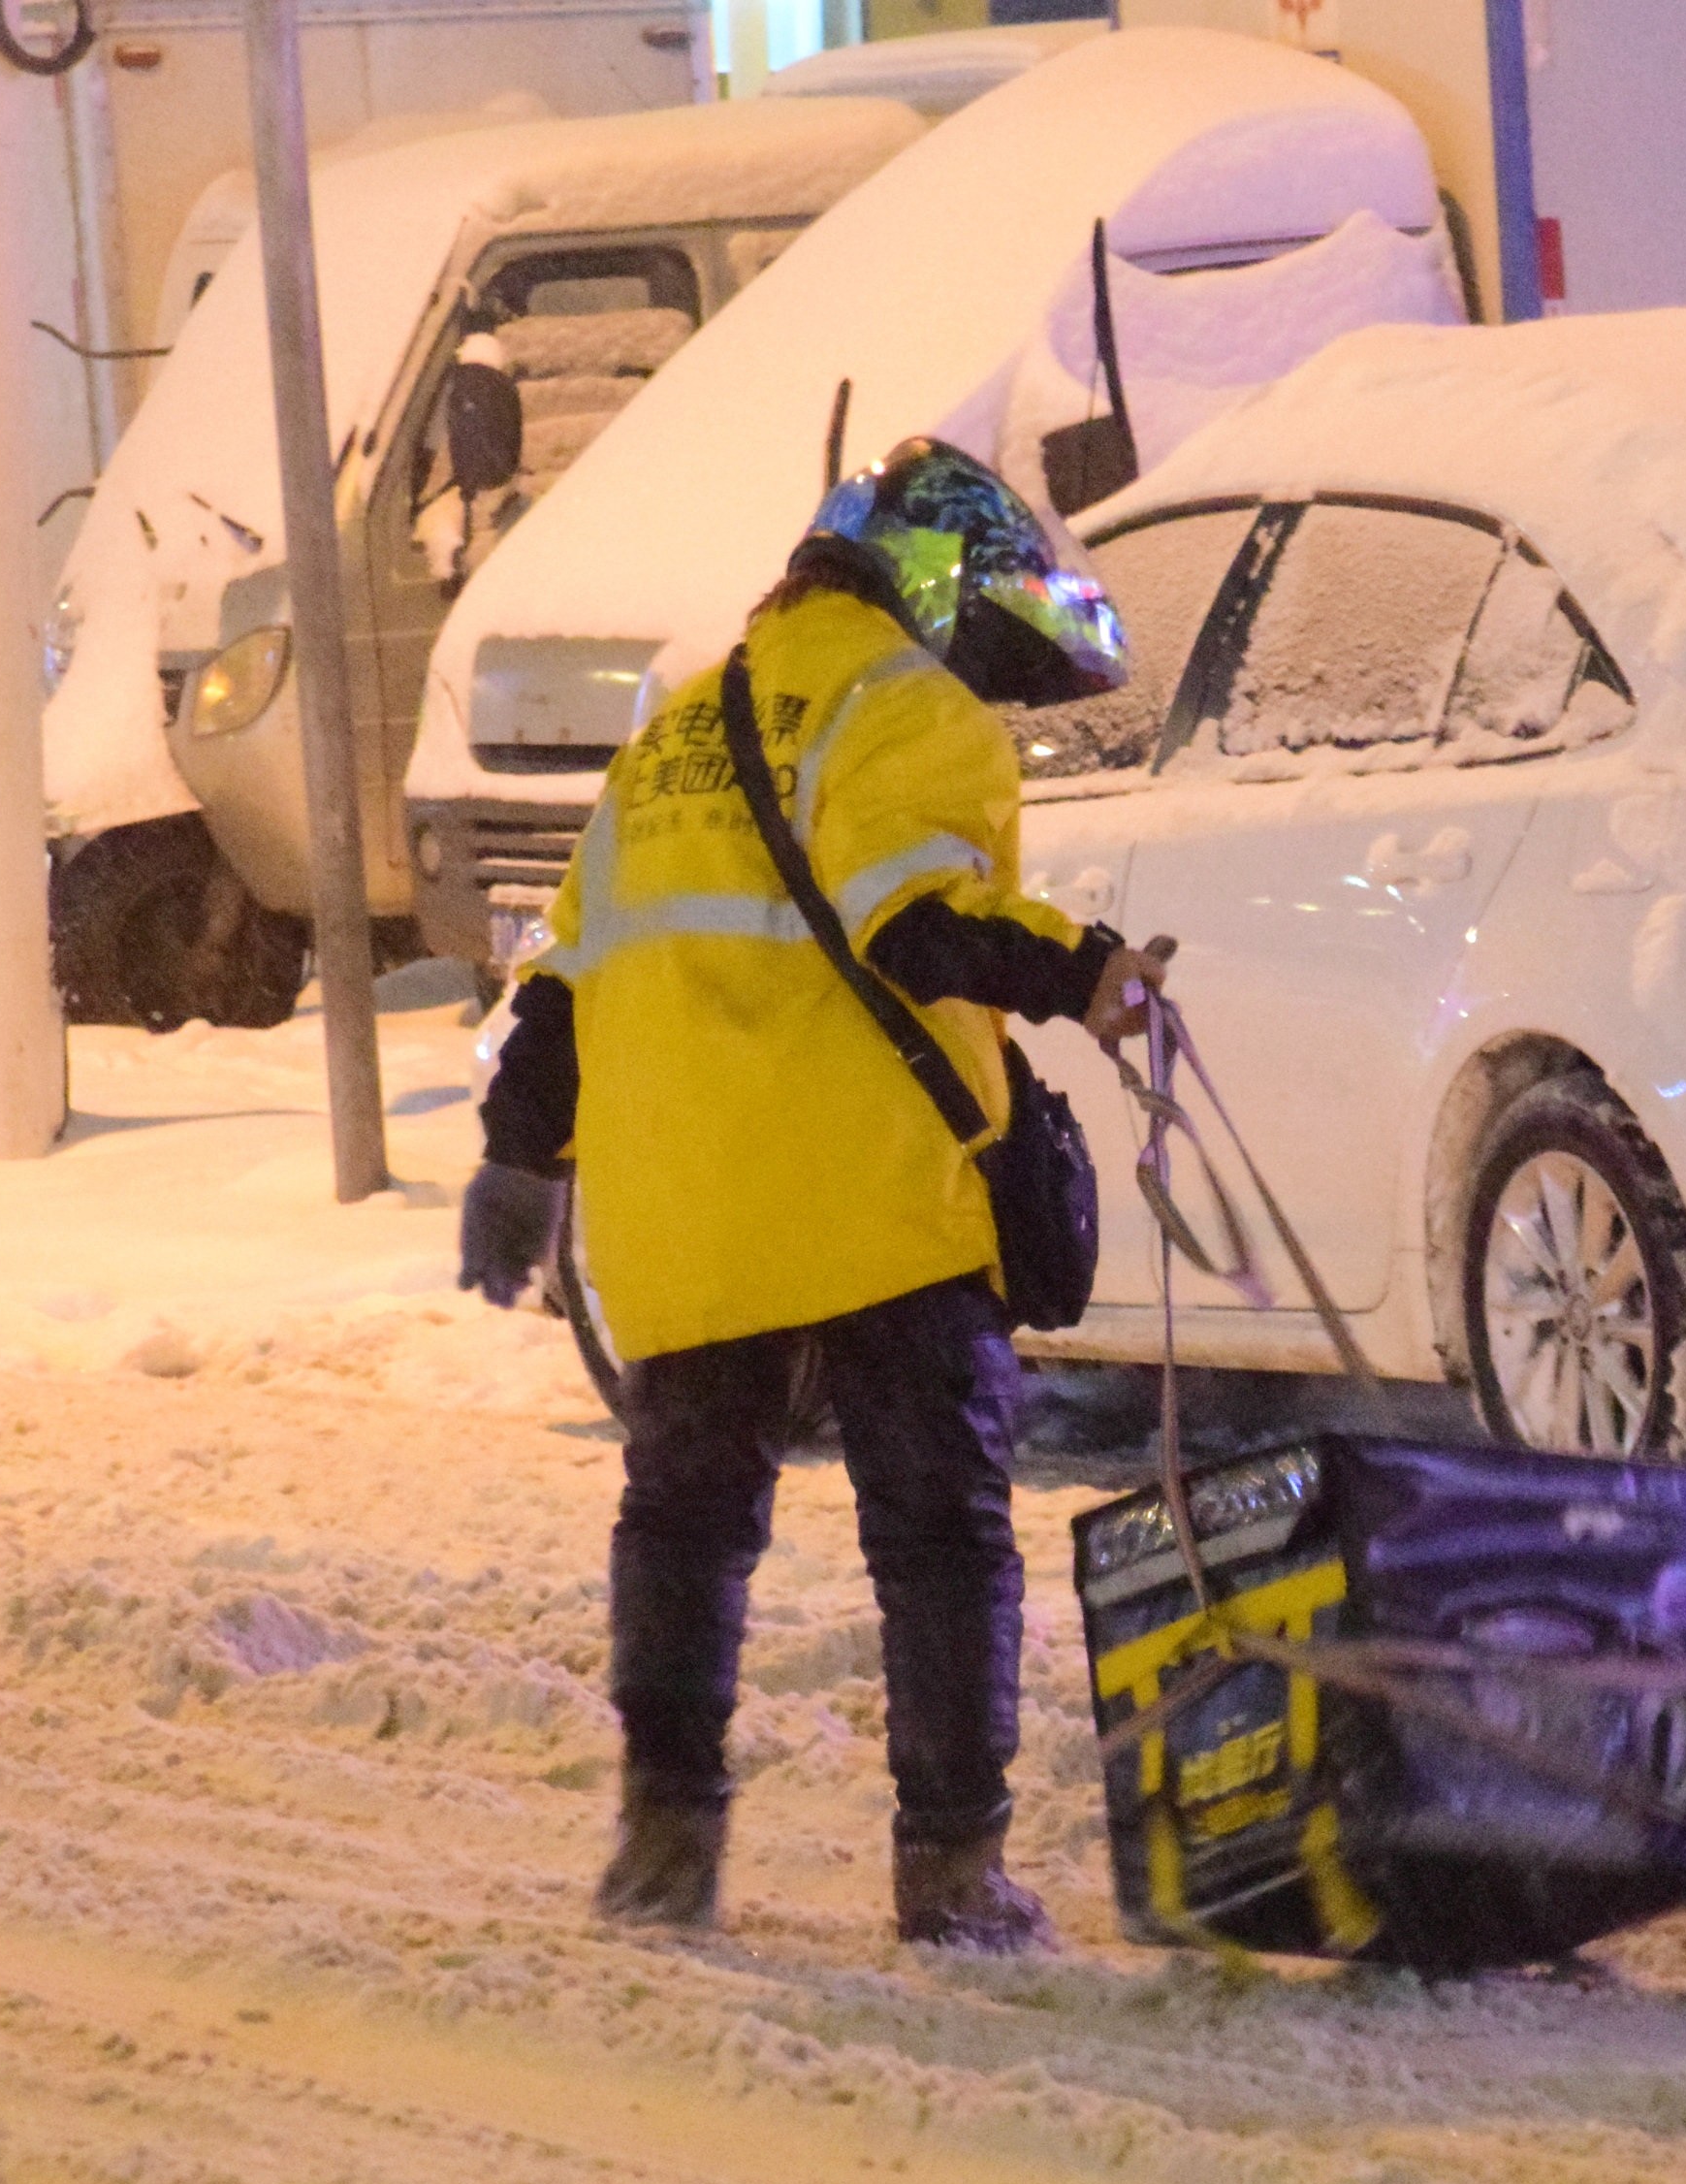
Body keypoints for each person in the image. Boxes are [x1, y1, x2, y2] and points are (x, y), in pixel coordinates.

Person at [461, 438, 1163, 1954]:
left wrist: (515, 1166)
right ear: (940, 592)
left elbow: (564, 993)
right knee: (938, 1537)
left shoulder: (675, 737)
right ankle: (954, 1876)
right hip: (873, 1208)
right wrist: (1084, 975)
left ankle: (663, 1843)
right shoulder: (907, 707)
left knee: (686, 1524)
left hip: (688, 1221)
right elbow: (914, 923)